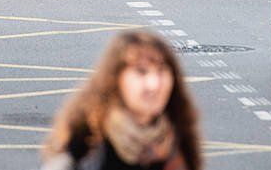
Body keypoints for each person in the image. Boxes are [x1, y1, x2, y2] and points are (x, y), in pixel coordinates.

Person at [41, 29, 202, 170]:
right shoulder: (89, 141)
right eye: (141, 72)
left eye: (161, 72)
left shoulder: (176, 138)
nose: (154, 84)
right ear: (116, 79)